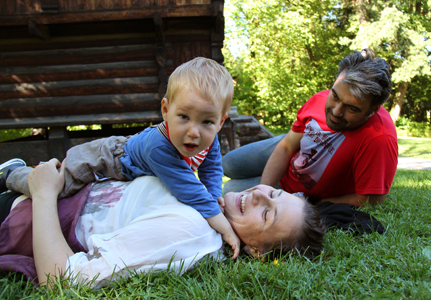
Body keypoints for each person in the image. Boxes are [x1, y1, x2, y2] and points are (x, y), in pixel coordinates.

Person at [0, 57, 241, 258]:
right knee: (58, 185)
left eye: (207, 121)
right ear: (166, 110)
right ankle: (11, 174)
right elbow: (188, 189)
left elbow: (211, 171)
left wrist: (214, 196)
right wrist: (222, 225)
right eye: (184, 117)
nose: (194, 132)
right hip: (107, 157)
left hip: (126, 169)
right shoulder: (158, 146)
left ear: (220, 122)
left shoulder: (210, 140)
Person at [0, 159, 325, 288]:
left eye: (267, 213)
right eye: (274, 192)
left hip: (14, 217)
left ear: (256, 250)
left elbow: (63, 282)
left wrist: (43, 193)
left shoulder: (192, 232)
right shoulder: (208, 210)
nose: (259, 195)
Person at [223, 49, 398, 207]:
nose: (336, 112)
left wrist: (320, 203)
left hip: (296, 190)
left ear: (372, 110)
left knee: (228, 190)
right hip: (292, 151)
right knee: (228, 163)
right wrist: (263, 191)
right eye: (335, 96)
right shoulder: (319, 98)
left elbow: (374, 199)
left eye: (352, 108)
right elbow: (286, 146)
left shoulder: (380, 138)